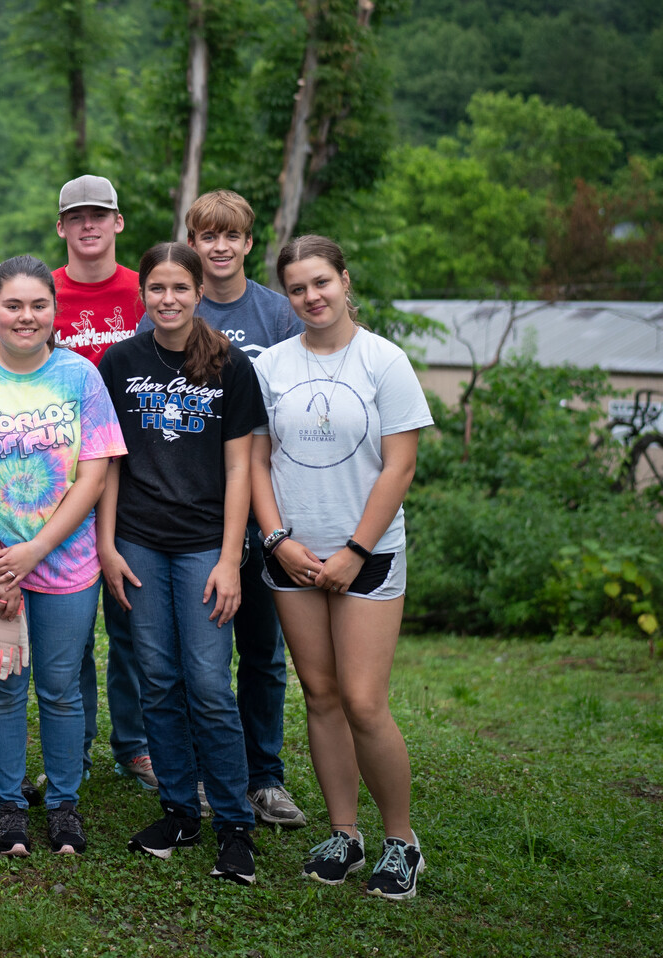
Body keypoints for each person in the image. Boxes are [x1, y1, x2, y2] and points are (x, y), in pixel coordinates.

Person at [250, 235, 433, 901]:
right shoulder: (270, 365)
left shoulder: (385, 361)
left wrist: (355, 548)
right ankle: (344, 834)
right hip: (293, 556)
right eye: (298, 288)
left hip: (368, 554)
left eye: (321, 282)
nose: (312, 297)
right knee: (320, 696)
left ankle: (401, 841)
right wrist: (276, 539)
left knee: (362, 700)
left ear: (345, 280)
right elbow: (255, 461)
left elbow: (401, 465)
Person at [0, 256, 126, 856]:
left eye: (38, 305)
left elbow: (93, 475)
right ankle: (9, 803)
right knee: (4, 684)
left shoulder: (80, 379)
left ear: (53, 310)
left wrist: (35, 550)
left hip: (66, 563)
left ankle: (64, 803)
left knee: (62, 687)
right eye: (13, 305)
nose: (26, 316)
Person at [97, 242, 266, 885]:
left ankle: (232, 823)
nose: (168, 299)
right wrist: (107, 544)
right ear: (143, 293)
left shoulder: (228, 363)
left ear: (199, 292)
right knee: (158, 680)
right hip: (137, 541)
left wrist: (230, 558)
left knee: (207, 683)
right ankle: (178, 809)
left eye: (180, 288)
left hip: (204, 546)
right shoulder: (121, 361)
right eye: (157, 288)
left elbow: (239, 466)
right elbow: (109, 462)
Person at [186, 189, 310, 831]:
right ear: (194, 241)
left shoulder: (275, 314)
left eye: (230, 236)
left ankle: (264, 777)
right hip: (195, 507)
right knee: (200, 656)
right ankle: (209, 774)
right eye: (208, 236)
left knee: (262, 651)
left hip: (269, 504)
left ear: (248, 243)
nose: (220, 247)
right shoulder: (180, 305)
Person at [48, 175, 151, 790]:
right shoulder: (44, 292)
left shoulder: (146, 293)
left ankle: (135, 743)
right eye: (76, 217)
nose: (88, 225)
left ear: (118, 222)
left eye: (100, 215)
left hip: (138, 475)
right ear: (61, 227)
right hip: (58, 477)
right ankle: (76, 742)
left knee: (130, 616)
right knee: (71, 623)